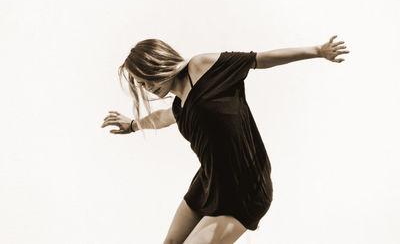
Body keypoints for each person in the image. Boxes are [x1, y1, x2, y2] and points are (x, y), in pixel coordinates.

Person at [101, 35, 349, 244]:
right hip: (209, 181)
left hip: (243, 187)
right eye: (143, 85)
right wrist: (133, 125)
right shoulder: (179, 107)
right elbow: (164, 117)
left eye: (149, 78)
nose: (149, 88)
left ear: (159, 63)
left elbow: (259, 60)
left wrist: (318, 51)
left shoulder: (202, 66)